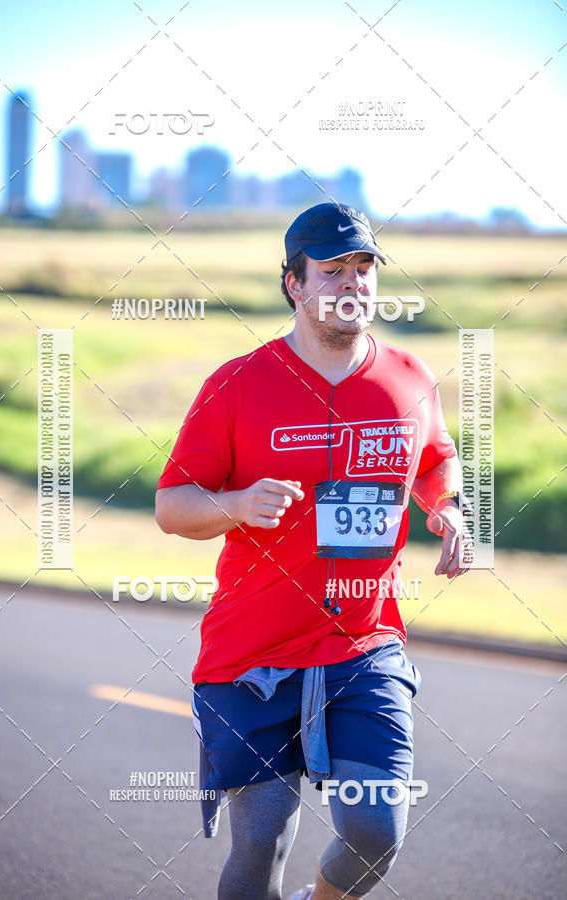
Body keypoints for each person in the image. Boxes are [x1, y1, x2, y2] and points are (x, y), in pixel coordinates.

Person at [155, 202, 468, 900]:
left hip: (364, 645)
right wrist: (235, 505)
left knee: (376, 831)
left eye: (364, 268)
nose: (353, 282)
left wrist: (449, 510)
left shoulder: (409, 378)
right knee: (261, 842)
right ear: (294, 283)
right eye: (333, 270)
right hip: (254, 655)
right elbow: (173, 506)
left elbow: (435, 461)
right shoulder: (237, 385)